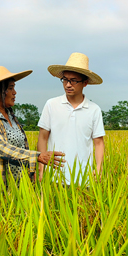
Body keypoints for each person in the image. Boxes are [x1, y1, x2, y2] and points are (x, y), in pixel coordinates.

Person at [0, 66, 65, 185]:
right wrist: (38, 156)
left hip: (20, 188)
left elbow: (22, 149)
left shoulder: (12, 117)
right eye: (11, 88)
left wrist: (31, 172)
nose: (15, 92)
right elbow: (2, 149)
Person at [37, 53, 105, 184]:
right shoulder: (51, 105)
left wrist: (98, 168)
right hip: (54, 177)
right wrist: (41, 168)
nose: (68, 84)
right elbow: (43, 137)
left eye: (73, 80)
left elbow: (99, 142)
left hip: (84, 178)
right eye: (65, 79)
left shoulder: (94, 109)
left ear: (85, 83)